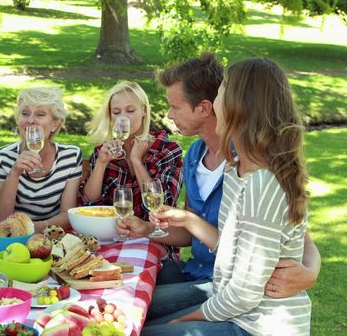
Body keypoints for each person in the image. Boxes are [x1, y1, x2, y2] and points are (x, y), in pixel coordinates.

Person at [116, 53, 321, 322]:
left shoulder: (250, 166)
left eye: (175, 107)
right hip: (200, 273)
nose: (168, 114)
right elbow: (200, 236)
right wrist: (149, 229)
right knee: (122, 290)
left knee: (131, 311)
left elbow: (295, 232)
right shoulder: (199, 157)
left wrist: (311, 272)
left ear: (205, 108)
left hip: (225, 288)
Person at [79, 80, 183, 258]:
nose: (123, 118)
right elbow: (88, 203)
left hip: (156, 245)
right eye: (116, 112)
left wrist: (136, 160)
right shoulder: (105, 151)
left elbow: (161, 205)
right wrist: (101, 164)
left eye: (130, 110)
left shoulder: (166, 150)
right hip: (111, 243)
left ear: (144, 110)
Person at [0, 87, 82, 233]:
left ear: (55, 124)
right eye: (25, 114)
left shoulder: (71, 156)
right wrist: (14, 173)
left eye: (40, 114)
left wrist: (32, 228)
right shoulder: (0, 157)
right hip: (13, 240)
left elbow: (68, 215)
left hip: (52, 238)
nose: (31, 120)